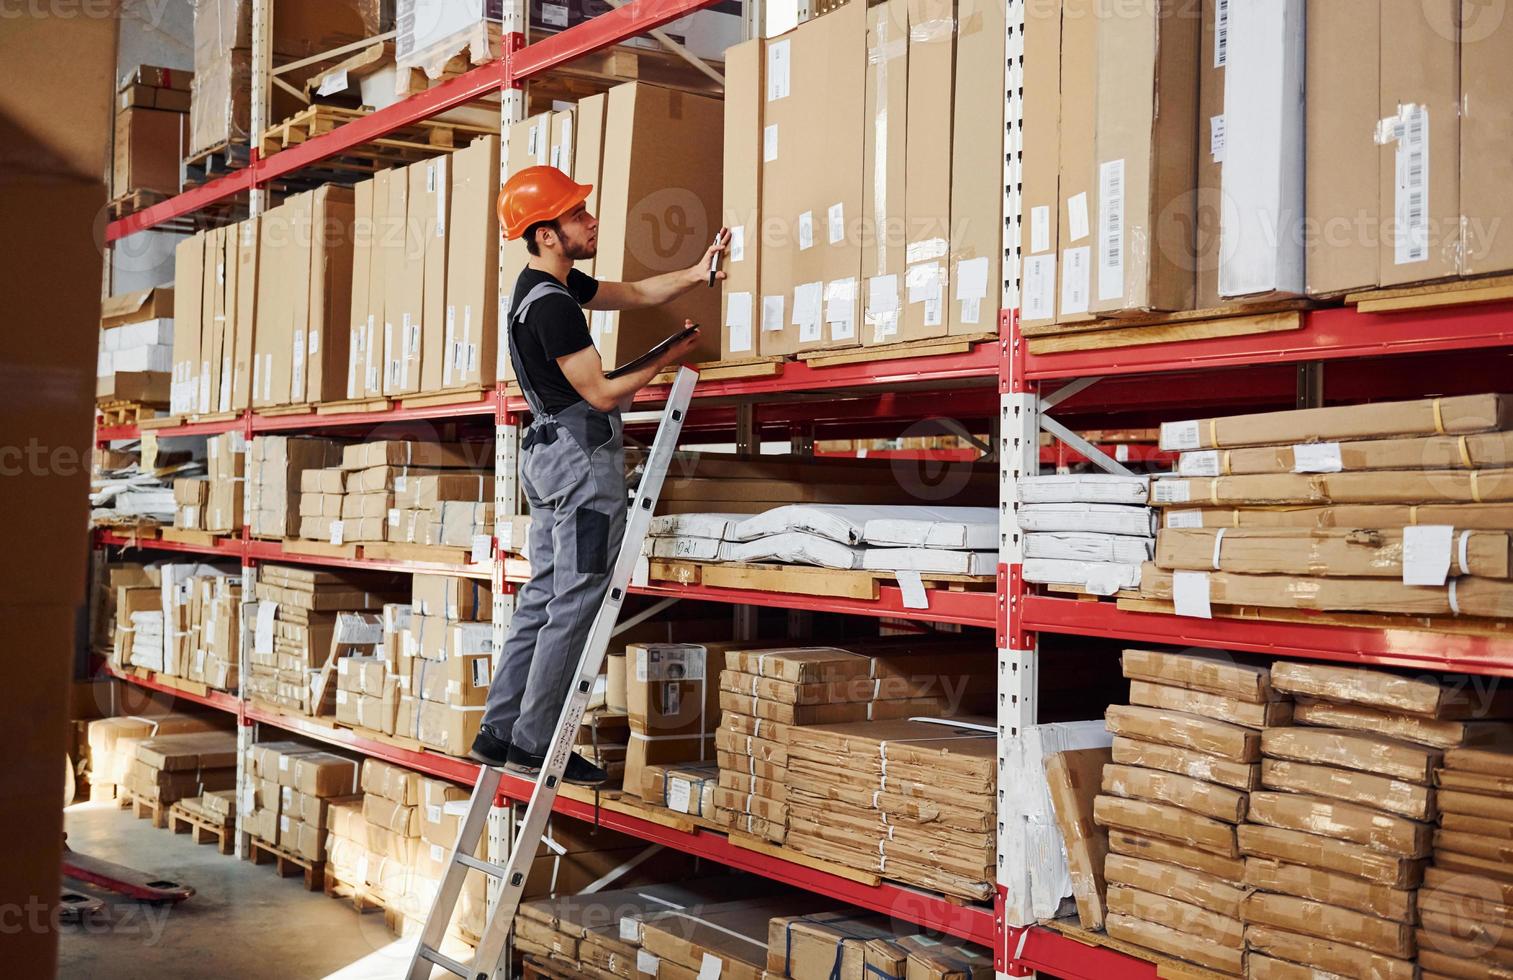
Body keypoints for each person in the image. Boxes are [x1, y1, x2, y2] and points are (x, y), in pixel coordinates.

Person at [470, 165, 727, 784]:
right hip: (581, 464)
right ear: (546, 235)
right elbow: (604, 393)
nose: (592, 221)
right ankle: (534, 742)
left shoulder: (539, 290)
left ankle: (499, 729)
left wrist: (697, 273)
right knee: (580, 594)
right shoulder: (554, 309)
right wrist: (669, 354)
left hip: (547, 456)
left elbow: (633, 294)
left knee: (543, 594)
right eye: (577, 214)